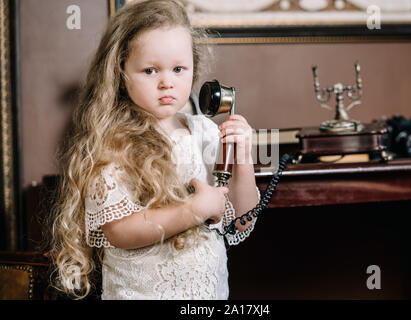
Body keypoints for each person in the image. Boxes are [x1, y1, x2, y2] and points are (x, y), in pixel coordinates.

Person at [49, 0, 260, 300]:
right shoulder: (112, 143)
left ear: (193, 69)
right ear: (121, 74)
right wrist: (193, 210)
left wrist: (243, 159)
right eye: (150, 70)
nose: (166, 83)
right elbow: (119, 232)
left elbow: (241, 218)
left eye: (178, 69)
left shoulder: (204, 133)